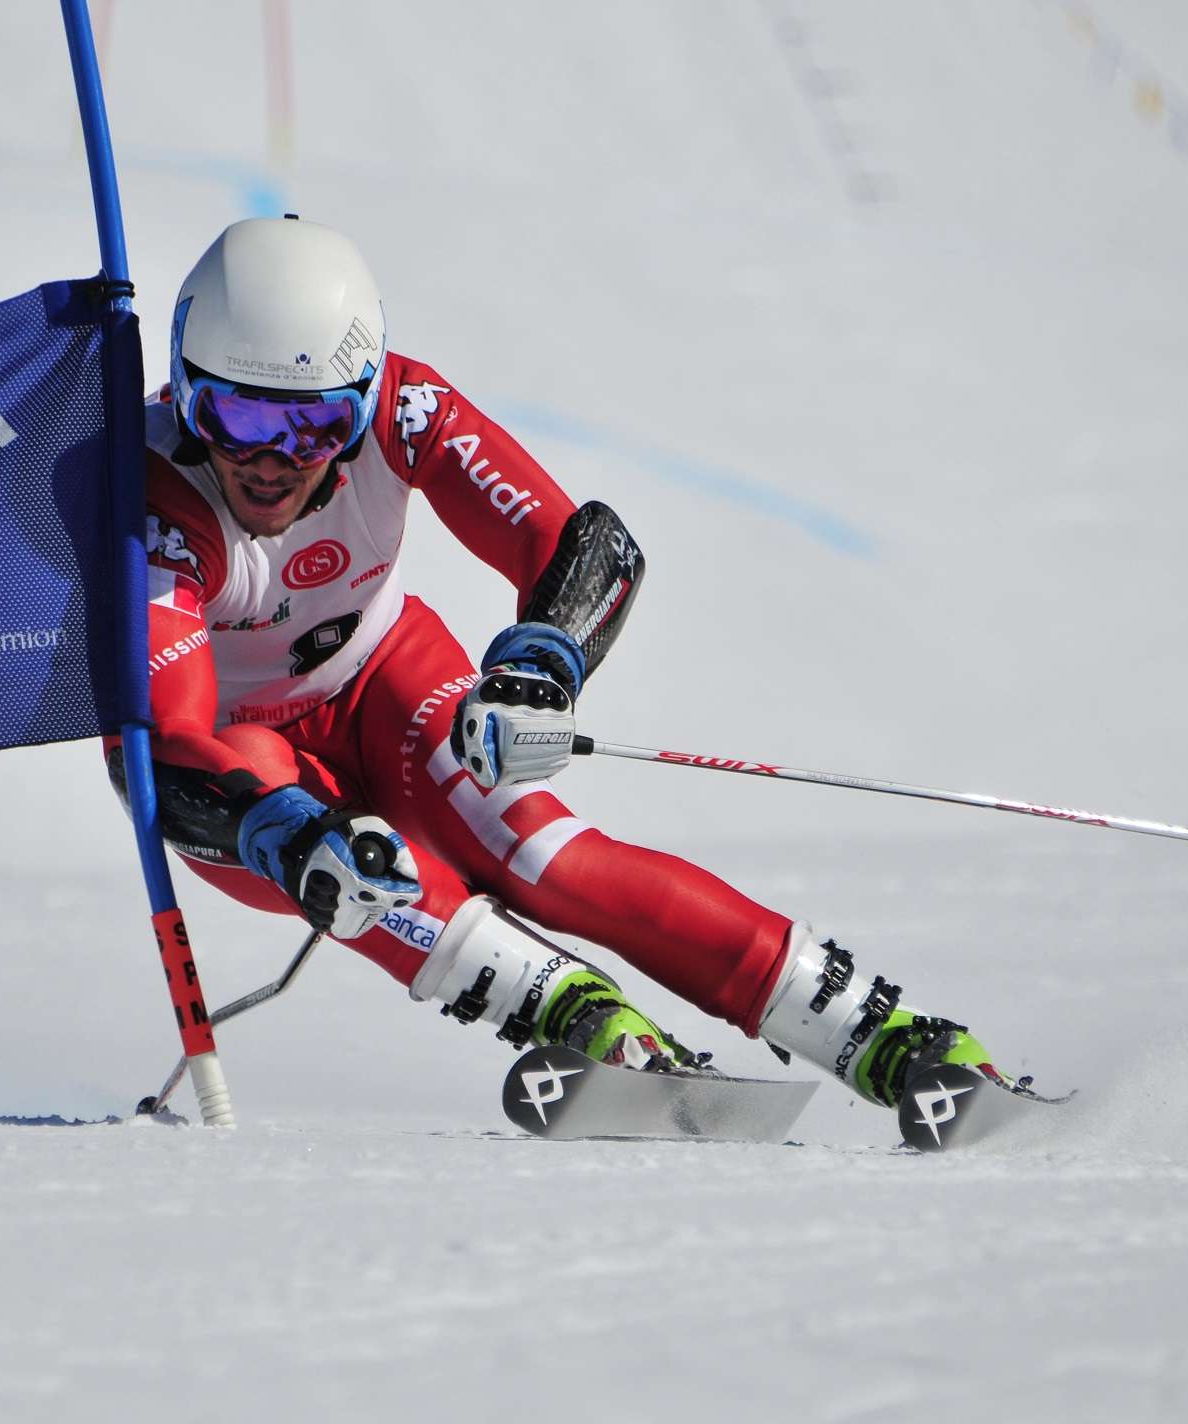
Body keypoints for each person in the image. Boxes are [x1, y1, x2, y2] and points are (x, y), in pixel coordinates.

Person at [122, 214, 998, 1116]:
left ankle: (884, 1034)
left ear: (361, 404)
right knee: (356, 865)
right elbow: (174, 738)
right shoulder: (157, 508)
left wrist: (540, 665)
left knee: (553, 862)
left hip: (382, 675)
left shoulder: (406, 409)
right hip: (230, 756)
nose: (270, 461)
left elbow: (581, 543)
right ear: (184, 395)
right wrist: (283, 830)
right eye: (235, 416)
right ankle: (586, 1024)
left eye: (311, 426)